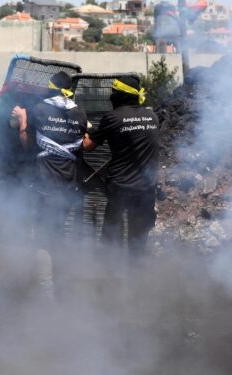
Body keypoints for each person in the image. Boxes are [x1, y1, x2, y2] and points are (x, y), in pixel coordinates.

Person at [11, 71, 88, 298]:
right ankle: (64, 285)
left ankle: (47, 292)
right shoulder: (80, 113)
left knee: (44, 238)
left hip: (45, 185)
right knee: (60, 234)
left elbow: (27, 144)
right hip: (69, 185)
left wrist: (22, 119)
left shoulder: (40, 110)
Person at [82, 76, 161, 266]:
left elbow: (88, 146)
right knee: (138, 240)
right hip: (146, 189)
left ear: (121, 95)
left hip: (120, 187)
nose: (111, 96)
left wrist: (83, 126)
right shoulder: (152, 117)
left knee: (110, 234)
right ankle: (136, 284)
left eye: (114, 93)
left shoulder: (113, 117)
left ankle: (109, 279)